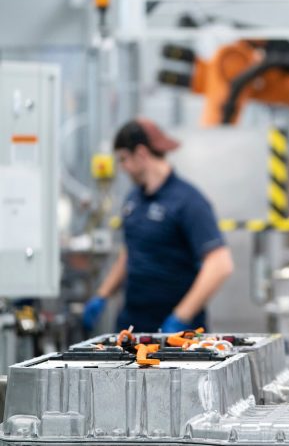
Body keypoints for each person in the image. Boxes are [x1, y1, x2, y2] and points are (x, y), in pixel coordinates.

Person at [82, 118, 234, 333]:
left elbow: (220, 265)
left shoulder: (188, 201)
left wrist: (180, 318)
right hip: (132, 328)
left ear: (142, 154)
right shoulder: (133, 199)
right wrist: (102, 295)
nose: (122, 168)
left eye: (124, 159)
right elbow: (130, 252)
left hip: (178, 336)